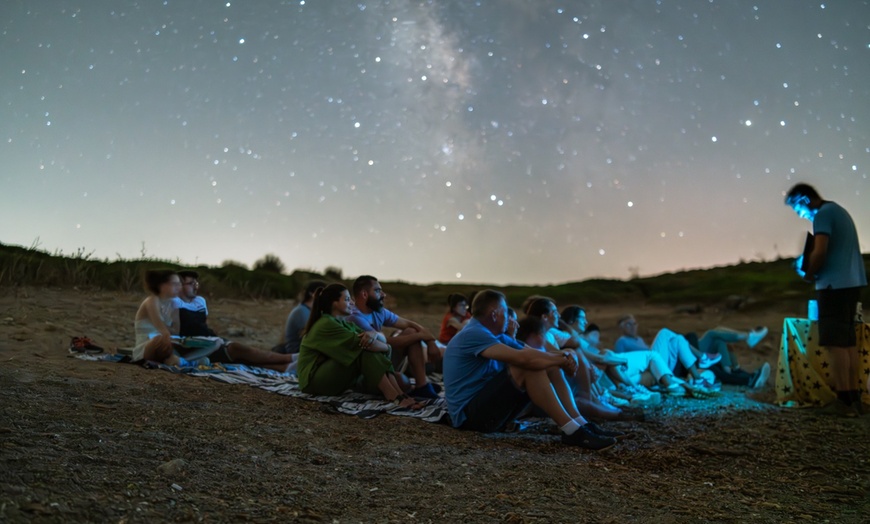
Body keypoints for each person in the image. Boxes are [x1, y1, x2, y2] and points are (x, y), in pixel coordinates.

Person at [443, 290, 624, 450]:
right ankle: (572, 431)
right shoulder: (473, 333)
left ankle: (580, 423)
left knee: (546, 363)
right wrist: (562, 358)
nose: (510, 319)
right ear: (494, 314)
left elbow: (531, 352)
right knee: (530, 367)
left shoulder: (494, 335)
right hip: (470, 417)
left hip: (486, 411)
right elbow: (525, 359)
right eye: (506, 313)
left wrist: (564, 357)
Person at [785, 183, 867, 414]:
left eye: (797, 209)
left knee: (836, 344)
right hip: (851, 284)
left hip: (834, 287)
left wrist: (808, 274)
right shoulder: (838, 211)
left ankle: (844, 401)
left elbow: (820, 251)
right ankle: (853, 398)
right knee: (848, 343)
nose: (800, 214)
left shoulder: (822, 215)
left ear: (803, 199)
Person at [297, 284, 420, 409]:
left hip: (330, 374)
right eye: (346, 299)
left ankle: (399, 394)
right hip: (312, 381)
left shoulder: (343, 323)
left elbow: (373, 339)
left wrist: (373, 334)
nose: (352, 302)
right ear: (334, 303)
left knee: (366, 345)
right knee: (364, 347)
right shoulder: (326, 323)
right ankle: (394, 396)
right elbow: (367, 344)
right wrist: (387, 347)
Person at [174, 270, 295, 373]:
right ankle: (290, 359)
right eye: (190, 283)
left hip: (209, 340)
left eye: (196, 283)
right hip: (194, 346)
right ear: (178, 286)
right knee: (238, 350)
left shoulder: (200, 301)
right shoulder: (173, 303)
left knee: (241, 358)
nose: (195, 286)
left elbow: (203, 324)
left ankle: (286, 366)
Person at [346, 275, 443, 399]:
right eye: (377, 290)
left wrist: (431, 342)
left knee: (410, 331)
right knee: (403, 382)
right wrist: (420, 336)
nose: (383, 294)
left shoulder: (378, 311)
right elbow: (385, 342)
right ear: (364, 294)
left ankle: (421, 386)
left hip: (382, 359)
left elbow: (409, 324)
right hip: (366, 370)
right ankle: (412, 388)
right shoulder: (354, 317)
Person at [615, 315, 715, 390]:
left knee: (678, 339)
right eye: (628, 324)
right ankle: (702, 357)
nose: (633, 327)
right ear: (621, 328)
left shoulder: (639, 339)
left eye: (634, 323)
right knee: (664, 332)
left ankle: (698, 379)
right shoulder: (622, 341)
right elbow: (621, 363)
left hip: (658, 364)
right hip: (649, 367)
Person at [131, 269, 182, 365]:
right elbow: (161, 328)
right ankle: (177, 360)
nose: (178, 288)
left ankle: (175, 360)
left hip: (166, 345)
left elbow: (176, 331)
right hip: (146, 347)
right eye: (174, 284)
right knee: (160, 338)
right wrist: (168, 333)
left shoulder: (174, 304)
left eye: (179, 284)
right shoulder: (152, 300)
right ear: (162, 286)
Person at [275, 280, 326, 354]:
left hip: (304, 348)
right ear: (312, 293)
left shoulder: (310, 310)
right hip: (295, 351)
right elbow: (313, 336)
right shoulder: (301, 311)